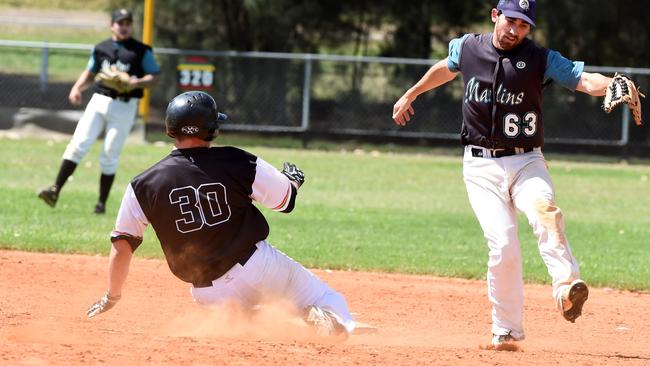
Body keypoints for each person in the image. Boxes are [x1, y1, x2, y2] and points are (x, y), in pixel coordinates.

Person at [392, 0, 614, 350]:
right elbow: (447, 67)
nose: (515, 30)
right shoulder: (467, 47)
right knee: (504, 246)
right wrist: (411, 92)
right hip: (480, 166)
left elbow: (583, 79)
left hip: (527, 161)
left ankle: (566, 288)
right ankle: (506, 329)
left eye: (524, 25)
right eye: (510, 21)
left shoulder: (540, 58)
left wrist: (612, 83)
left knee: (546, 214)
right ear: (495, 16)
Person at [85, 91, 355, 339]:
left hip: (208, 291)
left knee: (238, 328)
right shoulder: (237, 161)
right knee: (326, 297)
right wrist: (292, 180)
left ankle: (252, 315)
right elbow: (284, 200)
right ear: (212, 129)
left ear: (170, 129)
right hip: (258, 267)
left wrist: (113, 295)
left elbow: (122, 244)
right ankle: (330, 319)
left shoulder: (142, 185)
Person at [38, 8, 160, 214]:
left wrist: (136, 82)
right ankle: (55, 190)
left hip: (125, 104)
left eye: (127, 23)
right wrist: (77, 88)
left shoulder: (141, 50)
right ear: (112, 26)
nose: (124, 26)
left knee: (110, 153)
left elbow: (154, 76)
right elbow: (90, 71)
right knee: (78, 144)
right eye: (120, 22)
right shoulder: (101, 48)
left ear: (132, 26)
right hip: (99, 100)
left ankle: (101, 204)